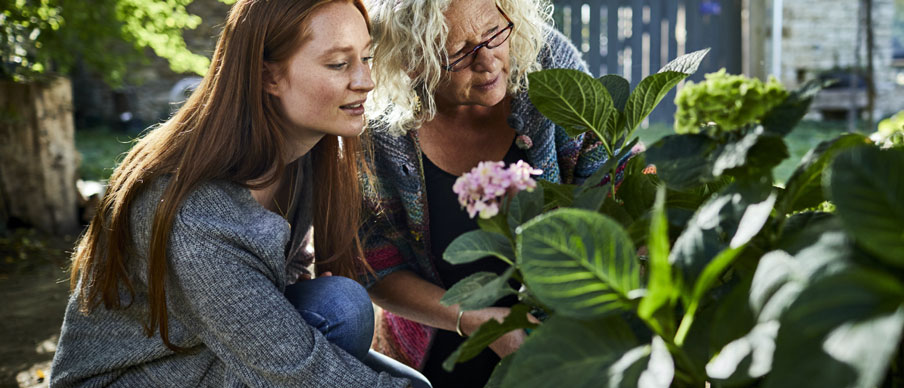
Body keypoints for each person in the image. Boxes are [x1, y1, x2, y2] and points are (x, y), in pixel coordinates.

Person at [49, 0, 429, 387]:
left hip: (199, 351)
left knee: (340, 306)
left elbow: (288, 268)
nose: (366, 80)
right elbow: (295, 371)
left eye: (366, 57)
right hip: (135, 377)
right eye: (338, 64)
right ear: (268, 77)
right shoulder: (194, 212)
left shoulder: (300, 155)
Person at [358, 0, 607, 386]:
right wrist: (475, 321)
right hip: (439, 345)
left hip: (571, 343)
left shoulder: (551, 65)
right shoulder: (380, 128)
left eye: (494, 33)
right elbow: (375, 265)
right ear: (413, 61)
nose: (488, 61)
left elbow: (610, 198)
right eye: (459, 52)